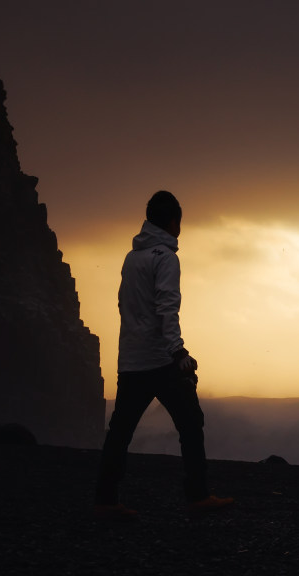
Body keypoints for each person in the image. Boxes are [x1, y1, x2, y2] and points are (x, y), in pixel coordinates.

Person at [94, 191, 233, 517]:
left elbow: (123, 304)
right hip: (161, 360)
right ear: (173, 223)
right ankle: (198, 496)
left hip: (131, 359)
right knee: (190, 423)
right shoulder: (166, 258)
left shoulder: (132, 258)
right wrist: (177, 351)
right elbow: (167, 307)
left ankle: (105, 500)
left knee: (120, 432)